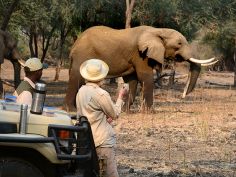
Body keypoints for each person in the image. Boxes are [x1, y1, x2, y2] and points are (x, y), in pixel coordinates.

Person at [76, 59, 128, 177]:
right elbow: (115, 114)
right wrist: (121, 97)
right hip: (102, 141)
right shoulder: (101, 94)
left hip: (87, 140)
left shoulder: (81, 91)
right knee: (110, 174)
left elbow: (89, 114)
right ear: (101, 77)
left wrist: (104, 119)